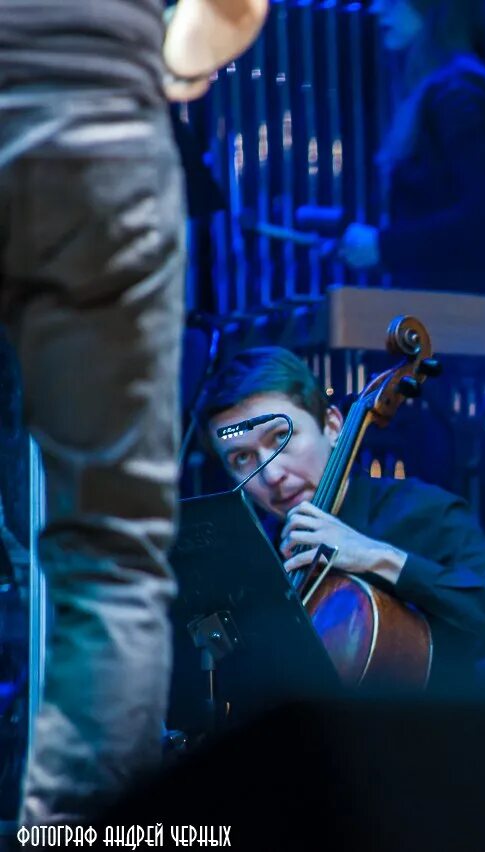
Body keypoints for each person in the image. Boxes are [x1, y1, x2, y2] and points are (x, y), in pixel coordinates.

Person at [0, 0, 268, 825]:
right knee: (105, 552)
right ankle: (77, 836)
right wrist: (177, 70)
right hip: (91, 131)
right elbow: (225, 12)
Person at [197, 347, 485, 697]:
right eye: (242, 457)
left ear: (333, 426)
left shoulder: (422, 512)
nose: (271, 474)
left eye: (281, 438)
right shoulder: (254, 566)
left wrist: (379, 558)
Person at [338, 0, 485, 297]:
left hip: (474, 323)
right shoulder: (448, 91)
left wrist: (384, 246)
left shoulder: (458, 97)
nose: (379, 9)